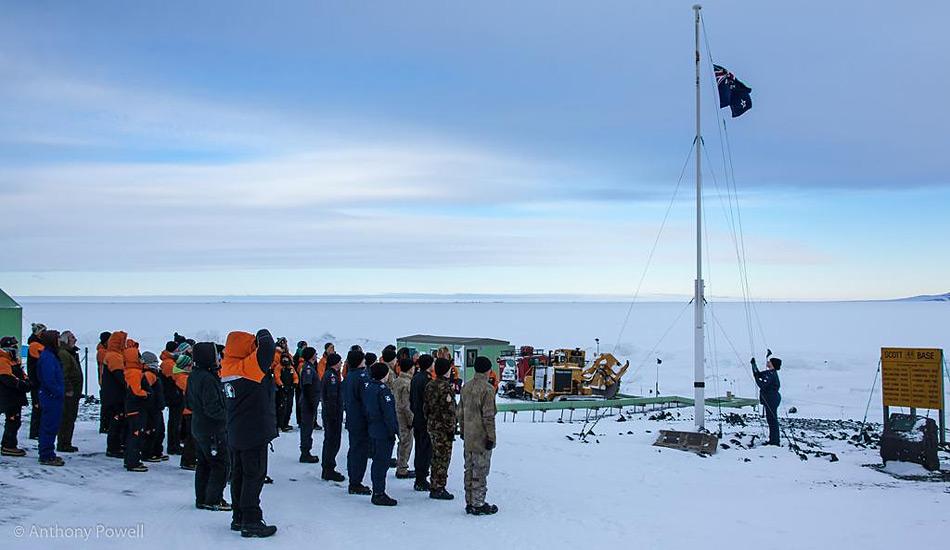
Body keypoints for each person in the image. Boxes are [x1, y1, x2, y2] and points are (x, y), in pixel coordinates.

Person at [221, 329, 278, 538]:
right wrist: (263, 333)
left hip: (236, 430)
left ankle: (239, 517)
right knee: (253, 476)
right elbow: (268, 347)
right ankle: (252, 521)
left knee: (239, 475)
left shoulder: (228, 367)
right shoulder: (248, 368)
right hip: (253, 431)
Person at [187, 342, 231, 512]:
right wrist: (228, 416)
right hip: (212, 429)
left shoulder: (194, 375)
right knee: (220, 464)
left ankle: (202, 498)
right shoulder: (207, 378)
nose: (219, 358)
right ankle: (213, 499)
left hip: (199, 426)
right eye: (216, 355)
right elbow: (213, 408)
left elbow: (189, 402)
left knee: (204, 464)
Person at [459, 356, 498, 515]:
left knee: (469, 469)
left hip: (468, 436)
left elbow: (460, 412)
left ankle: (469, 501)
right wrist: (491, 437)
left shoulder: (466, 387)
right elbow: (488, 417)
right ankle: (478, 503)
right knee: (480, 470)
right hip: (481, 437)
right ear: (489, 370)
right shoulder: (487, 389)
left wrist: (462, 431)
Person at [364, 362, 399, 506]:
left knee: (377, 462)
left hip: (373, 428)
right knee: (381, 462)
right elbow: (389, 413)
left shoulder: (369, 387)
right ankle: (379, 492)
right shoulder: (383, 390)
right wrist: (394, 430)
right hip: (383, 431)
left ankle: (377, 490)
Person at [424, 357, 457, 500]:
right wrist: (451, 429)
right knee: (443, 458)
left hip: (432, 425)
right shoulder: (446, 387)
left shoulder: (430, 385)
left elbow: (425, 407)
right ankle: (439, 487)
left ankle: (434, 484)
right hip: (443, 429)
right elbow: (449, 412)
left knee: (435, 456)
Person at [342, 348, 371, 495]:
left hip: (352, 418)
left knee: (354, 449)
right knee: (360, 451)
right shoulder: (362, 377)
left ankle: (353, 478)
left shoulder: (348, 376)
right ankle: (356, 482)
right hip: (361, 420)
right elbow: (367, 400)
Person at [37, 330, 65, 466]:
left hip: (53, 396)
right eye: (58, 339)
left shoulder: (51, 355)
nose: (60, 341)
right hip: (51, 397)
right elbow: (49, 380)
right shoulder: (48, 357)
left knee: (51, 426)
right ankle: (46, 455)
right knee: (49, 426)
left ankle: (48, 452)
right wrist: (59, 391)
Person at [0, 336, 30, 457]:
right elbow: (7, 378)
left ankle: (9, 444)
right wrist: (21, 384)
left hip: (13, 396)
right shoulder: (3, 360)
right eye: (14, 346)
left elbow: (20, 373)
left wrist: (27, 381)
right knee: (13, 421)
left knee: (14, 421)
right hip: (7, 396)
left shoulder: (12, 359)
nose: (16, 349)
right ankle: (8, 445)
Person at [123, 340, 150, 472]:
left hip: (133, 408)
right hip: (136, 408)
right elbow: (136, 390)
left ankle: (130, 459)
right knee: (136, 434)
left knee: (133, 434)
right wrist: (146, 394)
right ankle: (133, 461)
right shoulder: (134, 372)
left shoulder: (131, 371)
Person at [102, 331, 128, 458]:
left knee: (118, 421)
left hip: (114, 394)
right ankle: (113, 448)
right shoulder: (114, 356)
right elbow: (119, 376)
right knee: (116, 421)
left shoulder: (114, 354)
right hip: (115, 395)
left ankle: (116, 446)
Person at [410, 354, 434, 491]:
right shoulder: (426, 380)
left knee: (420, 447)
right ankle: (421, 478)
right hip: (424, 419)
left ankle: (420, 476)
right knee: (425, 450)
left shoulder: (415, 378)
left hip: (417, 418)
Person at [56, 331, 83, 453]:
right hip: (69, 393)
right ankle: (64, 443)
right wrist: (69, 389)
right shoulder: (64, 354)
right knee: (67, 417)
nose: (75, 340)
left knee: (69, 417)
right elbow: (63, 373)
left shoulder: (69, 353)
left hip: (73, 392)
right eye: (72, 337)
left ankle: (66, 442)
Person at [320, 353, 345, 481]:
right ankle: (328, 468)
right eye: (340, 362)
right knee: (332, 441)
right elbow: (331, 397)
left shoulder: (332, 375)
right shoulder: (332, 377)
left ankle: (328, 467)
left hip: (332, 413)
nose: (341, 364)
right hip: (332, 414)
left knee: (331, 441)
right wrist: (333, 415)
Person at [141, 352, 167, 462]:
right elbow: (148, 391)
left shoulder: (153, 374)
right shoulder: (149, 375)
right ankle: (148, 453)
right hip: (152, 408)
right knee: (152, 431)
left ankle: (156, 451)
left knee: (159, 431)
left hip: (156, 407)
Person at [392, 356, 414, 479]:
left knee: (402, 442)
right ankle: (402, 468)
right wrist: (411, 419)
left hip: (397, 414)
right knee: (406, 443)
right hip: (404, 417)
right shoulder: (407, 384)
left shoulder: (397, 380)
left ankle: (400, 465)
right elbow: (406, 405)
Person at [751, 356, 782, 446]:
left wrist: (756, 378)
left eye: (769, 362)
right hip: (770, 399)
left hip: (771, 399)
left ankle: (775, 441)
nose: (767, 362)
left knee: (772, 420)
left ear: (772, 364)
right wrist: (753, 365)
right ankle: (773, 440)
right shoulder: (770, 373)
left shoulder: (771, 374)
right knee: (771, 420)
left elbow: (761, 384)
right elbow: (759, 374)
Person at [174, 353, 197, 470]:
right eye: (189, 365)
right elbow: (191, 392)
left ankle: (190, 459)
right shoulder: (182, 378)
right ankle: (188, 460)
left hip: (189, 410)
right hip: (189, 411)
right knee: (191, 437)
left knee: (193, 436)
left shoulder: (183, 377)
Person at [297, 347, 320, 463]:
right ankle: (305, 452)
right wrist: (311, 402)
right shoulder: (308, 369)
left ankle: (306, 451)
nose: (317, 356)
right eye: (315, 354)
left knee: (308, 427)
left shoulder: (310, 367)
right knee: (306, 428)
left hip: (309, 402)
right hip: (307, 403)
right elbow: (307, 386)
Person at [161, 341, 184, 455]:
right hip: (174, 395)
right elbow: (178, 378)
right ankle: (173, 446)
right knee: (175, 421)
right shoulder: (170, 363)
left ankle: (174, 444)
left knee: (174, 421)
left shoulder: (167, 362)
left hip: (173, 394)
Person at [27, 323, 47, 440]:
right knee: (37, 406)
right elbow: (45, 354)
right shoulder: (35, 345)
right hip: (36, 381)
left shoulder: (36, 344)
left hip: (38, 380)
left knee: (39, 406)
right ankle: (35, 432)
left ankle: (37, 430)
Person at [97, 331, 111, 433]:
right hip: (104, 381)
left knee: (106, 404)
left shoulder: (103, 351)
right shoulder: (102, 352)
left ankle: (105, 424)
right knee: (106, 404)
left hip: (104, 380)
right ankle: (104, 425)